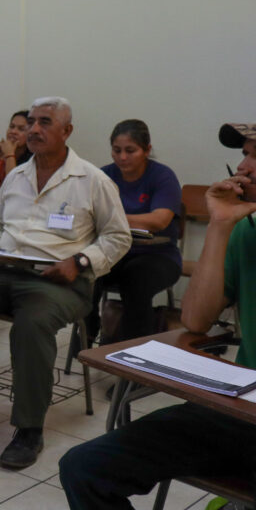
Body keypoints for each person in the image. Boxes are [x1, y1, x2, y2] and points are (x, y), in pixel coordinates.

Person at [60, 105, 256, 510]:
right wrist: (222, 224)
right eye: (245, 153)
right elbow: (197, 318)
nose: (244, 166)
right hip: (241, 408)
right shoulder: (252, 231)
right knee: (84, 469)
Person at [0, 97, 130, 469]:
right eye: (30, 122)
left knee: (30, 327)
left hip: (60, 280)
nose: (33, 129)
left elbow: (118, 238)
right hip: (5, 271)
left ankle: (30, 429)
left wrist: (79, 261)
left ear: (67, 131)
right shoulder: (15, 176)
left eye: (44, 122)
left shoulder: (92, 180)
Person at [86, 119, 182, 343]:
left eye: (130, 150)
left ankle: (132, 353)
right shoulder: (103, 175)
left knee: (136, 280)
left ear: (147, 150)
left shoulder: (162, 176)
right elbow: (88, 216)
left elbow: (159, 220)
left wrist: (113, 219)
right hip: (113, 252)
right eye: (116, 150)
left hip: (158, 255)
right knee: (87, 270)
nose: (122, 157)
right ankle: (87, 334)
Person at [0, 110, 30, 189]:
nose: (13, 132)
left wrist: (10, 155)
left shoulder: (33, 161)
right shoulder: (2, 158)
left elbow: (13, 187)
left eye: (21, 129)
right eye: (11, 126)